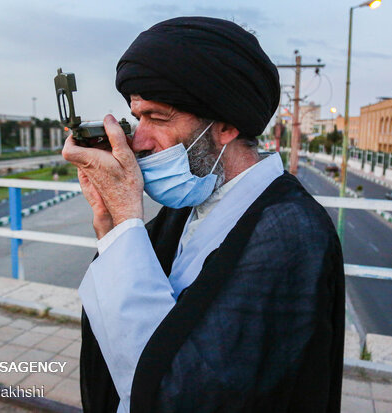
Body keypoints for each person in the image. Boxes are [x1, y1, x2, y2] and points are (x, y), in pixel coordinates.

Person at [62, 17, 344, 413]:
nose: (139, 141)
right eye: (136, 118)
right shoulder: (190, 208)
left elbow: (188, 392)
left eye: (157, 118)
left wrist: (128, 217)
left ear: (226, 124)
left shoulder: (290, 233)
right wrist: (111, 223)